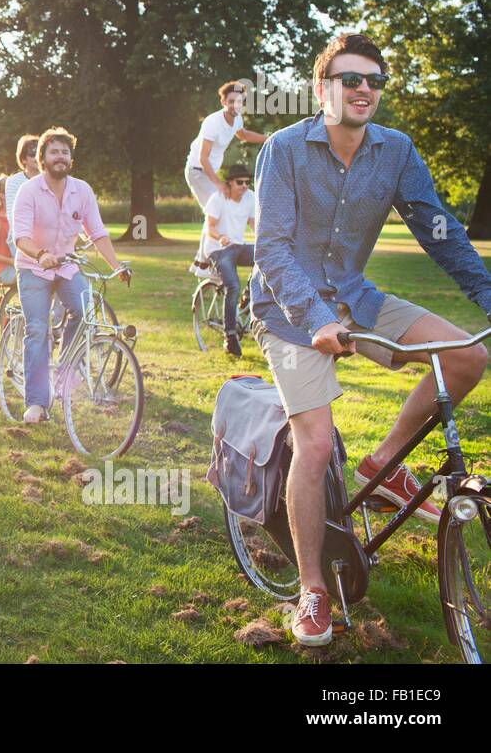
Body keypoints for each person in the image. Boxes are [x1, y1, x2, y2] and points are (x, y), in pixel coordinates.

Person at [251, 32, 491, 647]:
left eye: (374, 80)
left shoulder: (397, 151)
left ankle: (384, 464)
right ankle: (311, 589)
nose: (364, 89)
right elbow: (273, 249)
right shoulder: (282, 149)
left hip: (358, 299)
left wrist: (489, 296)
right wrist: (314, 321)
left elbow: (439, 230)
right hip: (290, 310)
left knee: (467, 358)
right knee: (316, 441)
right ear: (321, 88)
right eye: (350, 79)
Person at [12, 127, 131, 424]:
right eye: (54, 151)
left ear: (71, 159)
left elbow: (98, 232)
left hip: (66, 266)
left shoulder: (83, 190)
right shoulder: (29, 191)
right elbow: (21, 237)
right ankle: (37, 404)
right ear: (42, 159)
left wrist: (116, 266)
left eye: (65, 152)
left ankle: (65, 373)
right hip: (33, 267)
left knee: (85, 312)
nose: (60, 157)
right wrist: (41, 254)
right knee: (38, 330)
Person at [186, 81, 266, 274]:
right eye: (231, 101)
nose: (235, 105)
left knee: (218, 212)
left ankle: (204, 262)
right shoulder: (212, 122)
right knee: (215, 211)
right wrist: (219, 183)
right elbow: (203, 158)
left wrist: (269, 138)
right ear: (223, 101)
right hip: (198, 171)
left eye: (239, 102)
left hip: (210, 171)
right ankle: (204, 264)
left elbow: (244, 135)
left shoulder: (237, 119)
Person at [202, 163, 256, 356]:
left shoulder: (250, 198)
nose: (244, 186)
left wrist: (267, 240)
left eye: (247, 182)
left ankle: (248, 296)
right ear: (230, 183)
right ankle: (230, 337)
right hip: (218, 249)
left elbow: (253, 223)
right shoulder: (218, 199)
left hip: (238, 246)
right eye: (240, 182)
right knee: (232, 286)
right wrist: (221, 237)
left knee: (266, 256)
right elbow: (210, 228)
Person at [3, 134, 40, 257]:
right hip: (21, 236)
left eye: (40, 153)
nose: (37, 158)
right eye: (32, 154)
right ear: (24, 159)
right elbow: (12, 215)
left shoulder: (52, 180)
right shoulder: (13, 181)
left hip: (47, 237)